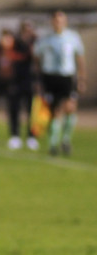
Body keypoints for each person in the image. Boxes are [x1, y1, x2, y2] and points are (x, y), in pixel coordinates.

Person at [34, 10, 86, 156]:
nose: (58, 23)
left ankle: (66, 140)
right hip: (50, 77)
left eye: (61, 20)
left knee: (70, 107)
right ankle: (53, 144)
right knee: (55, 111)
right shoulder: (46, 39)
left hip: (67, 77)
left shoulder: (73, 37)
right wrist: (38, 79)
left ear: (65, 22)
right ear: (52, 22)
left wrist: (82, 79)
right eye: (56, 20)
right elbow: (37, 58)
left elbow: (80, 58)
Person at [0, 23, 38, 150]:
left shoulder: (35, 43)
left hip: (30, 80)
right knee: (14, 108)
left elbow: (38, 61)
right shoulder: (14, 43)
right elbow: (8, 57)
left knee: (32, 110)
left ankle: (32, 136)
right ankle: (15, 135)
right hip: (16, 81)